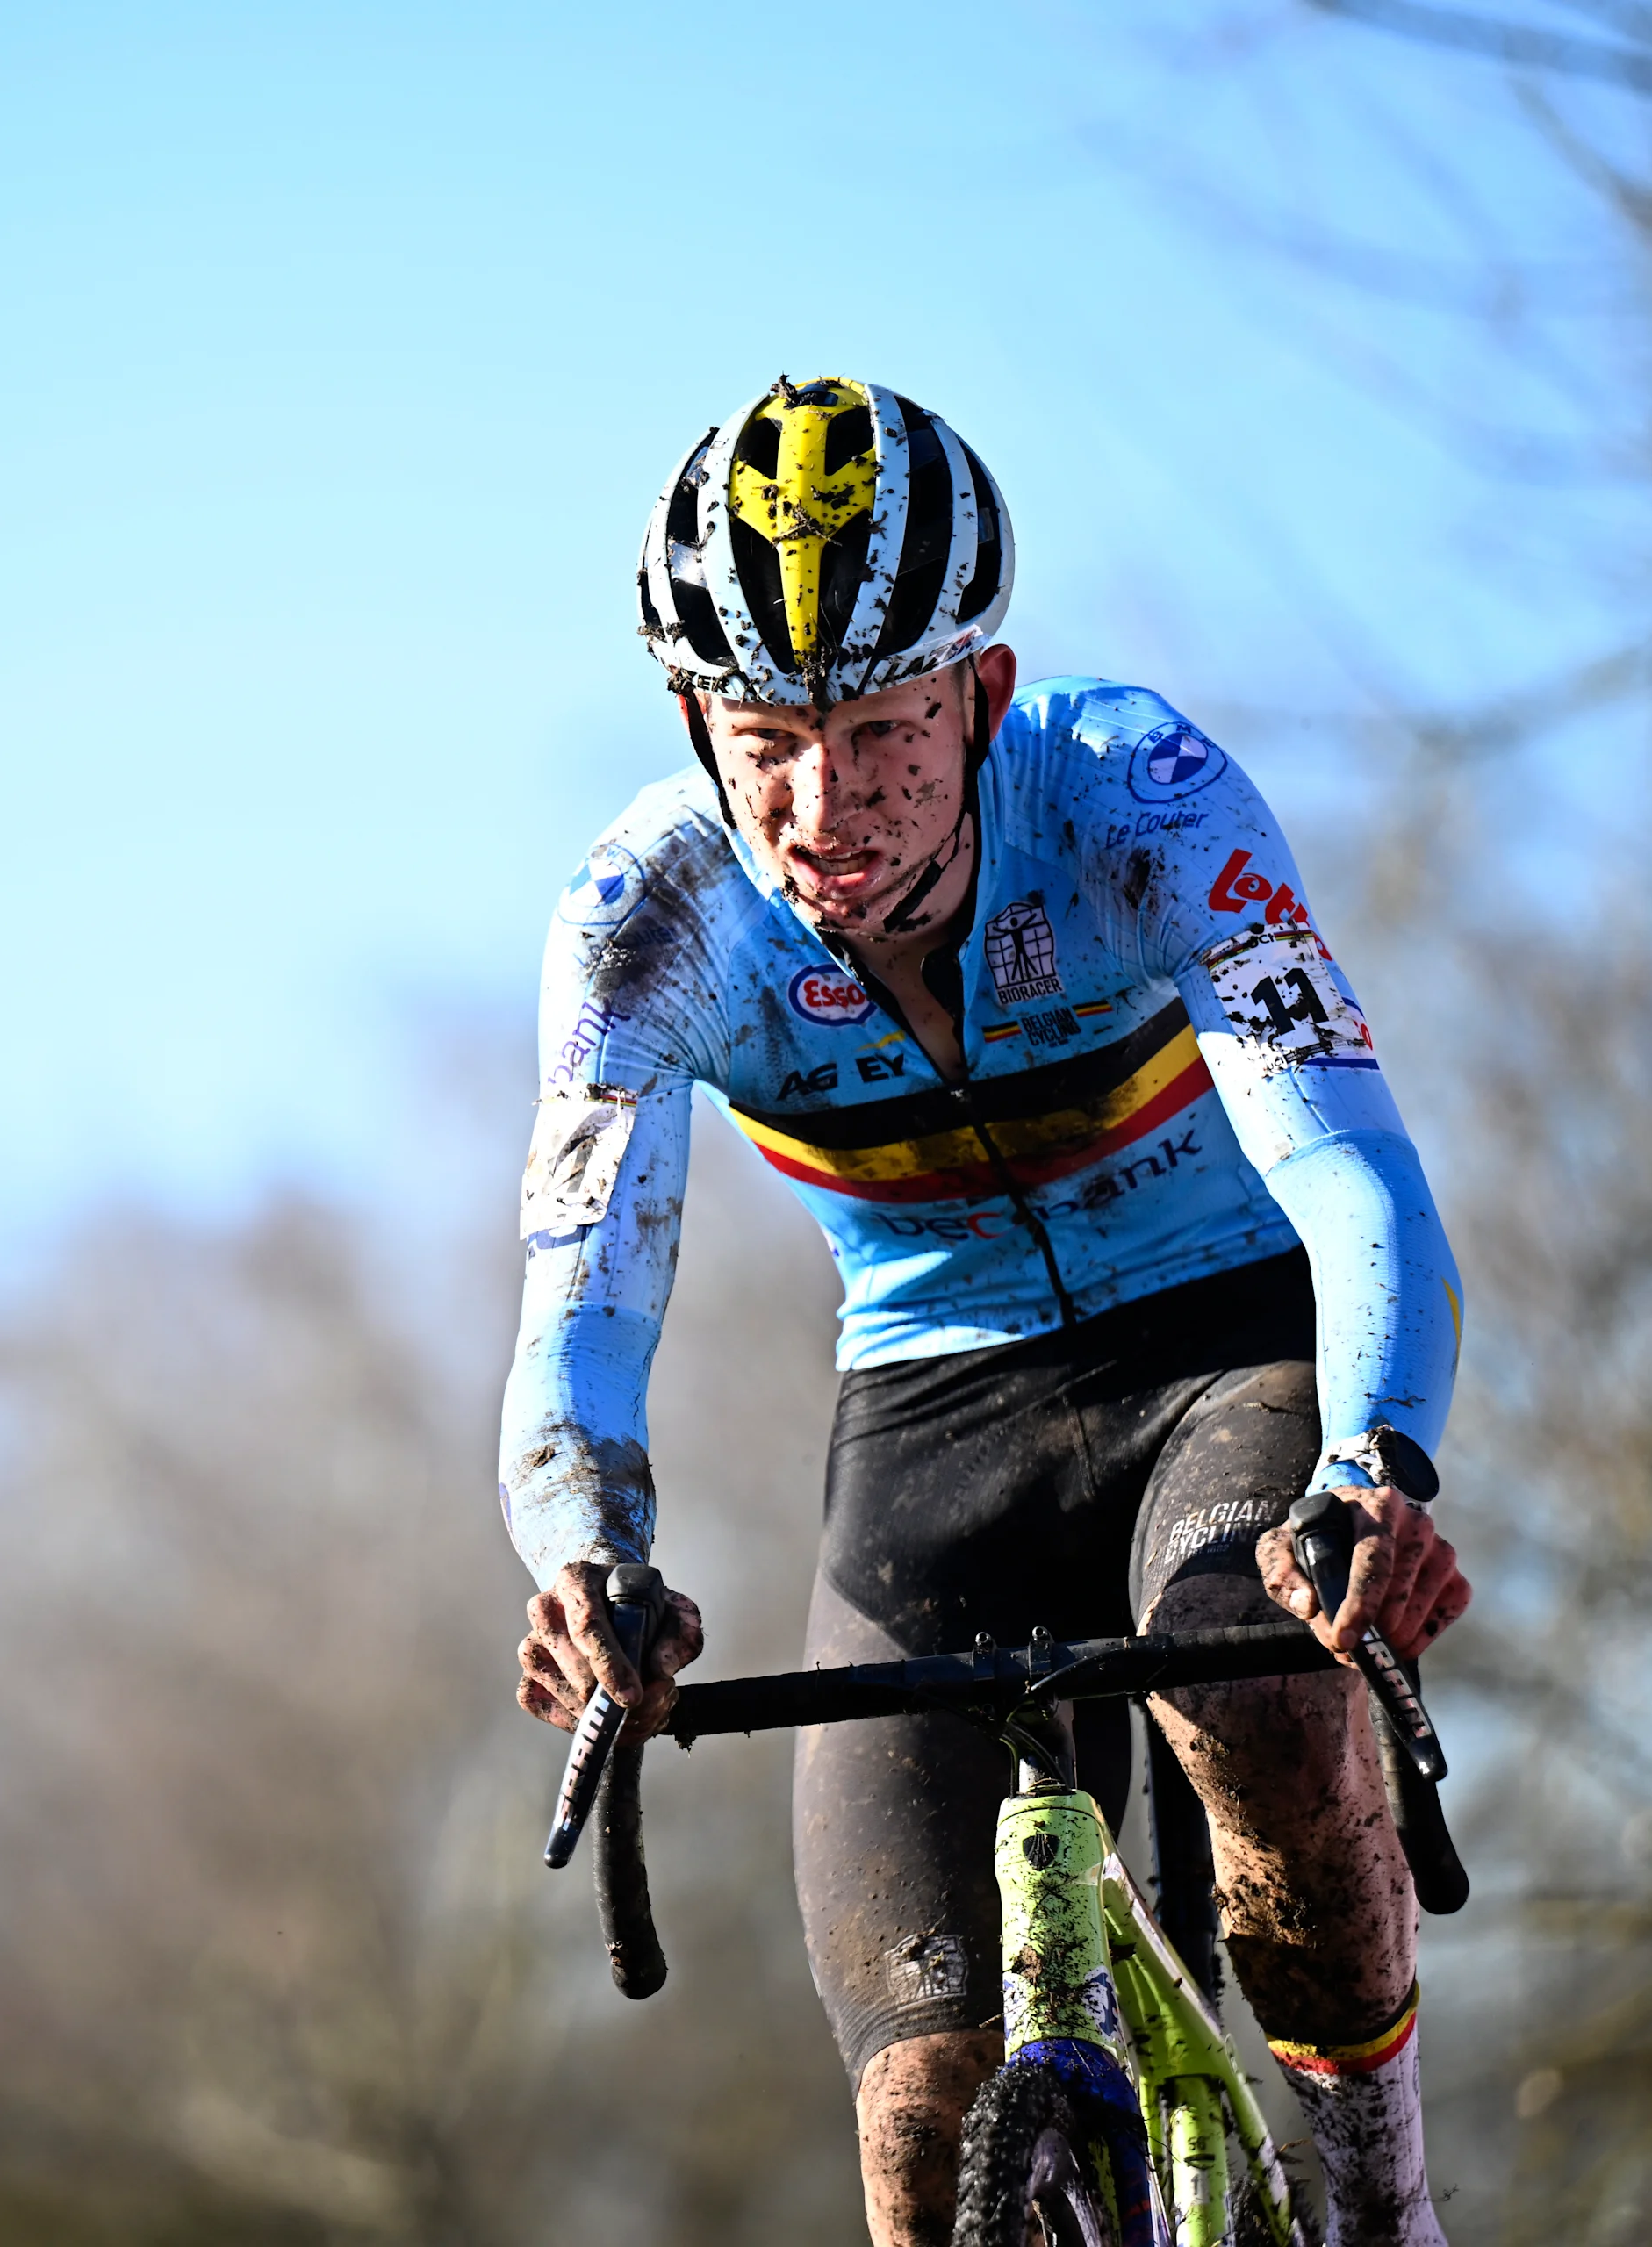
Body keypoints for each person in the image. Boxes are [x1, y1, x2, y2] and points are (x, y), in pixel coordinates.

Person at [499, 375, 1472, 2247]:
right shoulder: (652, 914)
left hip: (1217, 1340)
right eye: (765, 737)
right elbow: (578, 1313)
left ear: (985, 695)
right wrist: (586, 1551)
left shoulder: (1140, 794)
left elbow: (1356, 1176)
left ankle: (1380, 2205)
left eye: (879, 731)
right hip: (934, 1411)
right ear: (697, 723)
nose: (821, 803)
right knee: (923, 2115)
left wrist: (1374, 1462)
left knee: (1255, 1689)